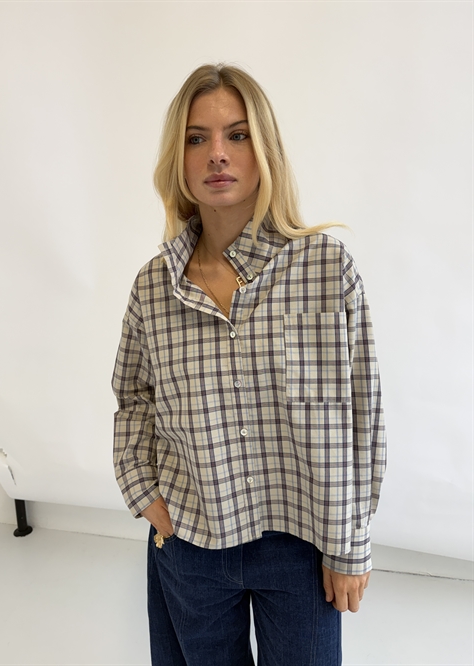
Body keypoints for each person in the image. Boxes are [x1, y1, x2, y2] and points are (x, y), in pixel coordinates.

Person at [112, 63, 386, 666]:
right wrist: (144, 492)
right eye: (197, 138)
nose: (217, 154)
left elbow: (362, 413)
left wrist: (350, 546)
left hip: (302, 544)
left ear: (265, 150)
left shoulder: (324, 269)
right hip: (190, 538)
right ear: (178, 159)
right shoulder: (154, 286)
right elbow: (134, 396)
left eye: (237, 135)